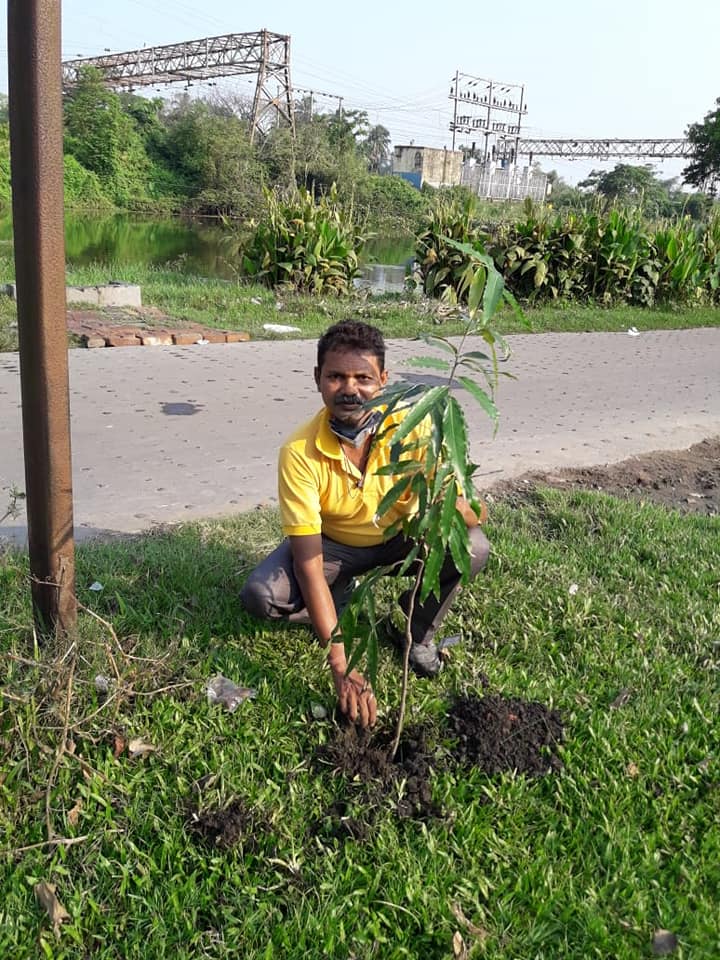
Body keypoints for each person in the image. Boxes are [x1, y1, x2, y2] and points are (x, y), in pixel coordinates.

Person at [241, 320, 490, 728]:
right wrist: (342, 665)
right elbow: (308, 562)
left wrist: (442, 504)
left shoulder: (415, 428)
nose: (349, 389)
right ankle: (337, 603)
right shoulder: (299, 452)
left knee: (473, 547)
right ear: (317, 378)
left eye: (363, 378)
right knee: (261, 596)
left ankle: (414, 630)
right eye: (336, 377)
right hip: (334, 547)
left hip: (402, 539)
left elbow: (476, 512)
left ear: (384, 381)